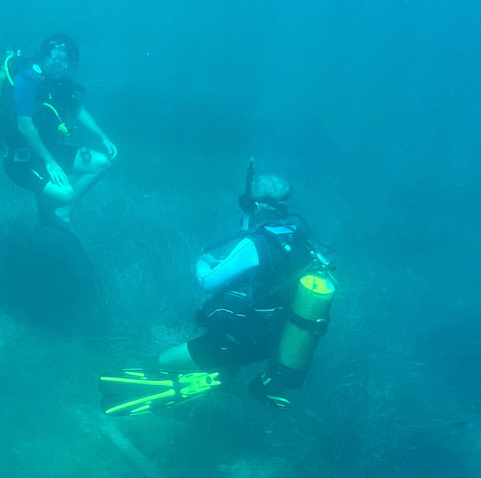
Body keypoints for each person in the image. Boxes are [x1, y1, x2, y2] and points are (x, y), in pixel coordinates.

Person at [99, 173, 335, 414]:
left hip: (239, 340)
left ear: (253, 206)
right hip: (273, 342)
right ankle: (225, 373)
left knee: (165, 362)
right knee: (226, 358)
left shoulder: (255, 244)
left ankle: (210, 382)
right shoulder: (298, 239)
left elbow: (208, 283)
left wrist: (202, 261)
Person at [0, 34, 117, 227]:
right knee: (65, 193)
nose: (58, 64)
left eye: (64, 61)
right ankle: (50, 203)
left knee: (101, 163)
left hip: (47, 150)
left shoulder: (59, 82)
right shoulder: (27, 79)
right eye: (55, 58)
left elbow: (78, 110)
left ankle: (62, 211)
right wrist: (51, 163)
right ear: (45, 56)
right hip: (21, 160)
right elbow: (25, 127)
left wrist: (103, 138)